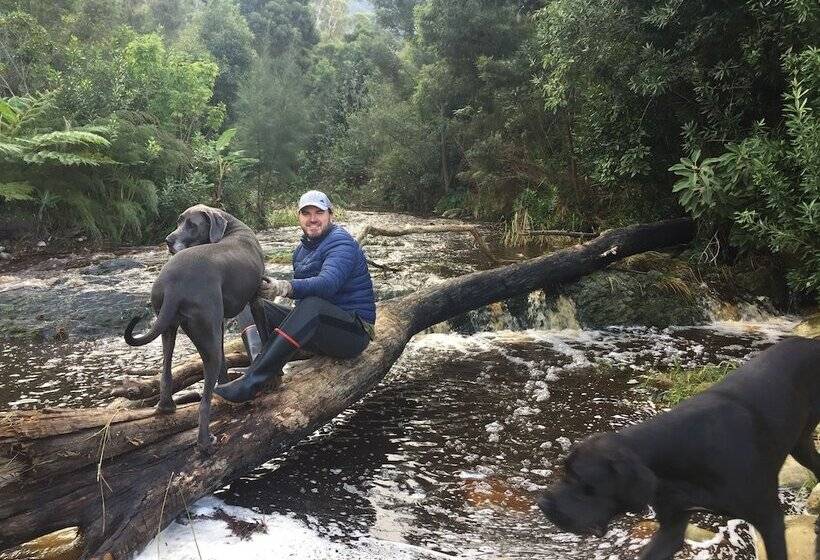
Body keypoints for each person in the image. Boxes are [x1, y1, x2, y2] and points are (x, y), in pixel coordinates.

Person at [214, 190, 376, 403]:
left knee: (312, 305)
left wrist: (284, 287)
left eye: (319, 212)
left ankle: (253, 381)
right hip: (321, 332)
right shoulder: (300, 251)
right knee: (256, 303)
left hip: (353, 333)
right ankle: (268, 372)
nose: (313, 219)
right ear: (298, 217)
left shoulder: (341, 243)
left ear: (331, 215)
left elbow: (327, 284)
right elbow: (301, 305)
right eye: (306, 213)